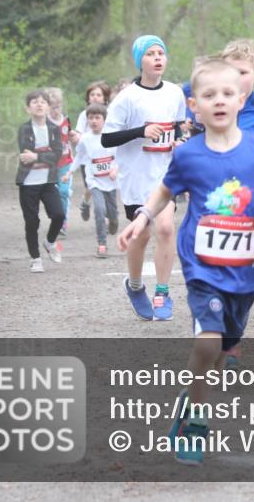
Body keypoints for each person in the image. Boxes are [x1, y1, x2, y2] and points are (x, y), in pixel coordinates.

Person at [117, 58, 254, 466]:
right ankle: (197, 422)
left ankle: (190, 399)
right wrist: (142, 218)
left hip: (245, 271)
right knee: (207, 341)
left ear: (241, 99)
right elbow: (164, 192)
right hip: (202, 267)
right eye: (208, 95)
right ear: (193, 106)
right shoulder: (189, 155)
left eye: (226, 94)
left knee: (222, 348)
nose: (218, 101)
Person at [102, 34, 187, 321]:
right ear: (140, 61)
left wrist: (178, 141)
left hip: (164, 174)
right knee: (142, 233)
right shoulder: (127, 97)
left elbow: (176, 128)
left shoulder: (174, 92)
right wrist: (141, 131)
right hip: (135, 177)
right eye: (150, 54)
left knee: (165, 228)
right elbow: (107, 138)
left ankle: (162, 292)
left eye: (161, 53)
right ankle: (135, 286)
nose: (157, 58)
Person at [16, 90, 65, 273]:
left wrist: (36, 155)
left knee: (59, 215)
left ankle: (50, 242)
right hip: (28, 183)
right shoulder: (25, 129)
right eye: (34, 102)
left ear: (48, 106)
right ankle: (35, 258)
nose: (39, 104)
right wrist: (45, 155)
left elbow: (57, 154)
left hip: (48, 181)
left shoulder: (54, 129)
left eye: (43, 102)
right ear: (28, 108)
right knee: (31, 222)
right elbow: (25, 154)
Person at [65, 103, 119, 258]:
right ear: (87, 119)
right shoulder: (85, 140)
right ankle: (102, 244)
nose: (94, 121)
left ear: (104, 119)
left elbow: (121, 156)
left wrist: (115, 169)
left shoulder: (111, 136)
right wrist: (69, 172)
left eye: (97, 118)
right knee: (100, 210)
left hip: (110, 182)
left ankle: (114, 222)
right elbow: (79, 157)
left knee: (112, 214)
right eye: (90, 118)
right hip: (94, 182)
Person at [73, 81, 112, 223]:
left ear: (105, 98)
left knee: (106, 187)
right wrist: (77, 137)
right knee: (91, 187)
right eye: (92, 94)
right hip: (88, 159)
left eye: (99, 95)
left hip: (107, 157)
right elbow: (79, 132)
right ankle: (86, 202)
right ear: (88, 98)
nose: (95, 97)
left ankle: (106, 215)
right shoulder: (84, 115)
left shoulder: (111, 113)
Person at [46, 87, 74, 238]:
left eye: (58, 106)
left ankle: (62, 221)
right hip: (49, 165)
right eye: (52, 106)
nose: (55, 110)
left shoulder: (66, 119)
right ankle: (55, 219)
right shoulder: (44, 122)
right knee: (52, 194)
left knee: (63, 192)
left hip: (66, 162)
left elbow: (70, 134)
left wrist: (76, 136)